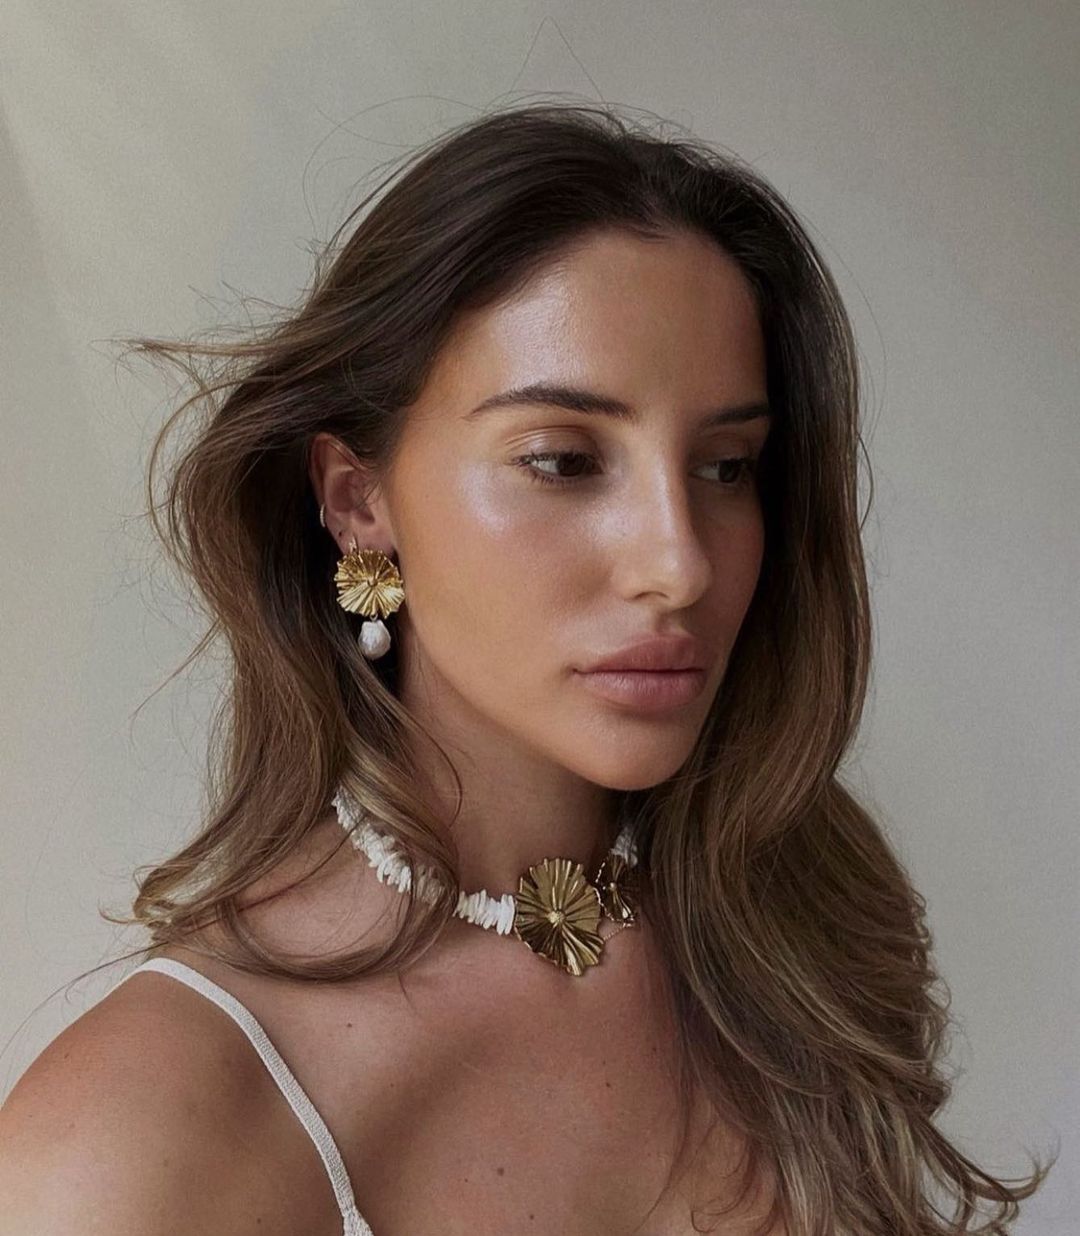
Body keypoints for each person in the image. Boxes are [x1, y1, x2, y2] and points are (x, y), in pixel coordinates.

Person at [0, 102, 1052, 1236]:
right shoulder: (132, 1143)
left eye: (725, 467)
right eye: (562, 460)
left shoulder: (801, 934)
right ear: (358, 502)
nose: (679, 564)